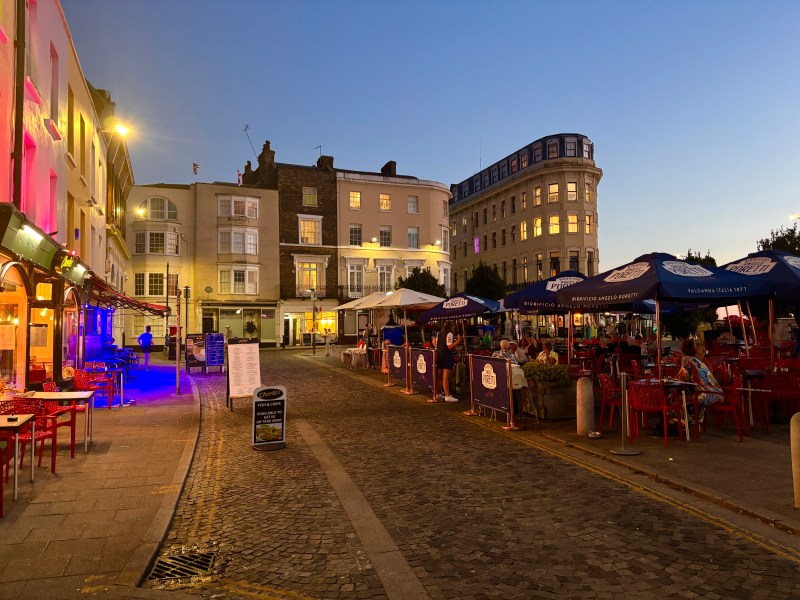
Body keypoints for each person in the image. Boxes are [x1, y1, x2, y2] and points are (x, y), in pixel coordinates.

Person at [678, 338, 723, 410]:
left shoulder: (685, 360)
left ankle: (685, 420)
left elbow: (682, 378)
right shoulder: (697, 360)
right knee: (687, 393)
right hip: (716, 392)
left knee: (676, 398)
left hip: (705, 394)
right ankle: (696, 417)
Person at [435, 321, 461, 402]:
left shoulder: (439, 333)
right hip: (446, 356)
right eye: (453, 326)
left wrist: (455, 348)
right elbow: (449, 346)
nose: (454, 328)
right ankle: (447, 395)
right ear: (450, 326)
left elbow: (436, 342)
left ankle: (437, 394)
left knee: (438, 376)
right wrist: (458, 340)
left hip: (439, 355)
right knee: (445, 377)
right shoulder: (449, 334)